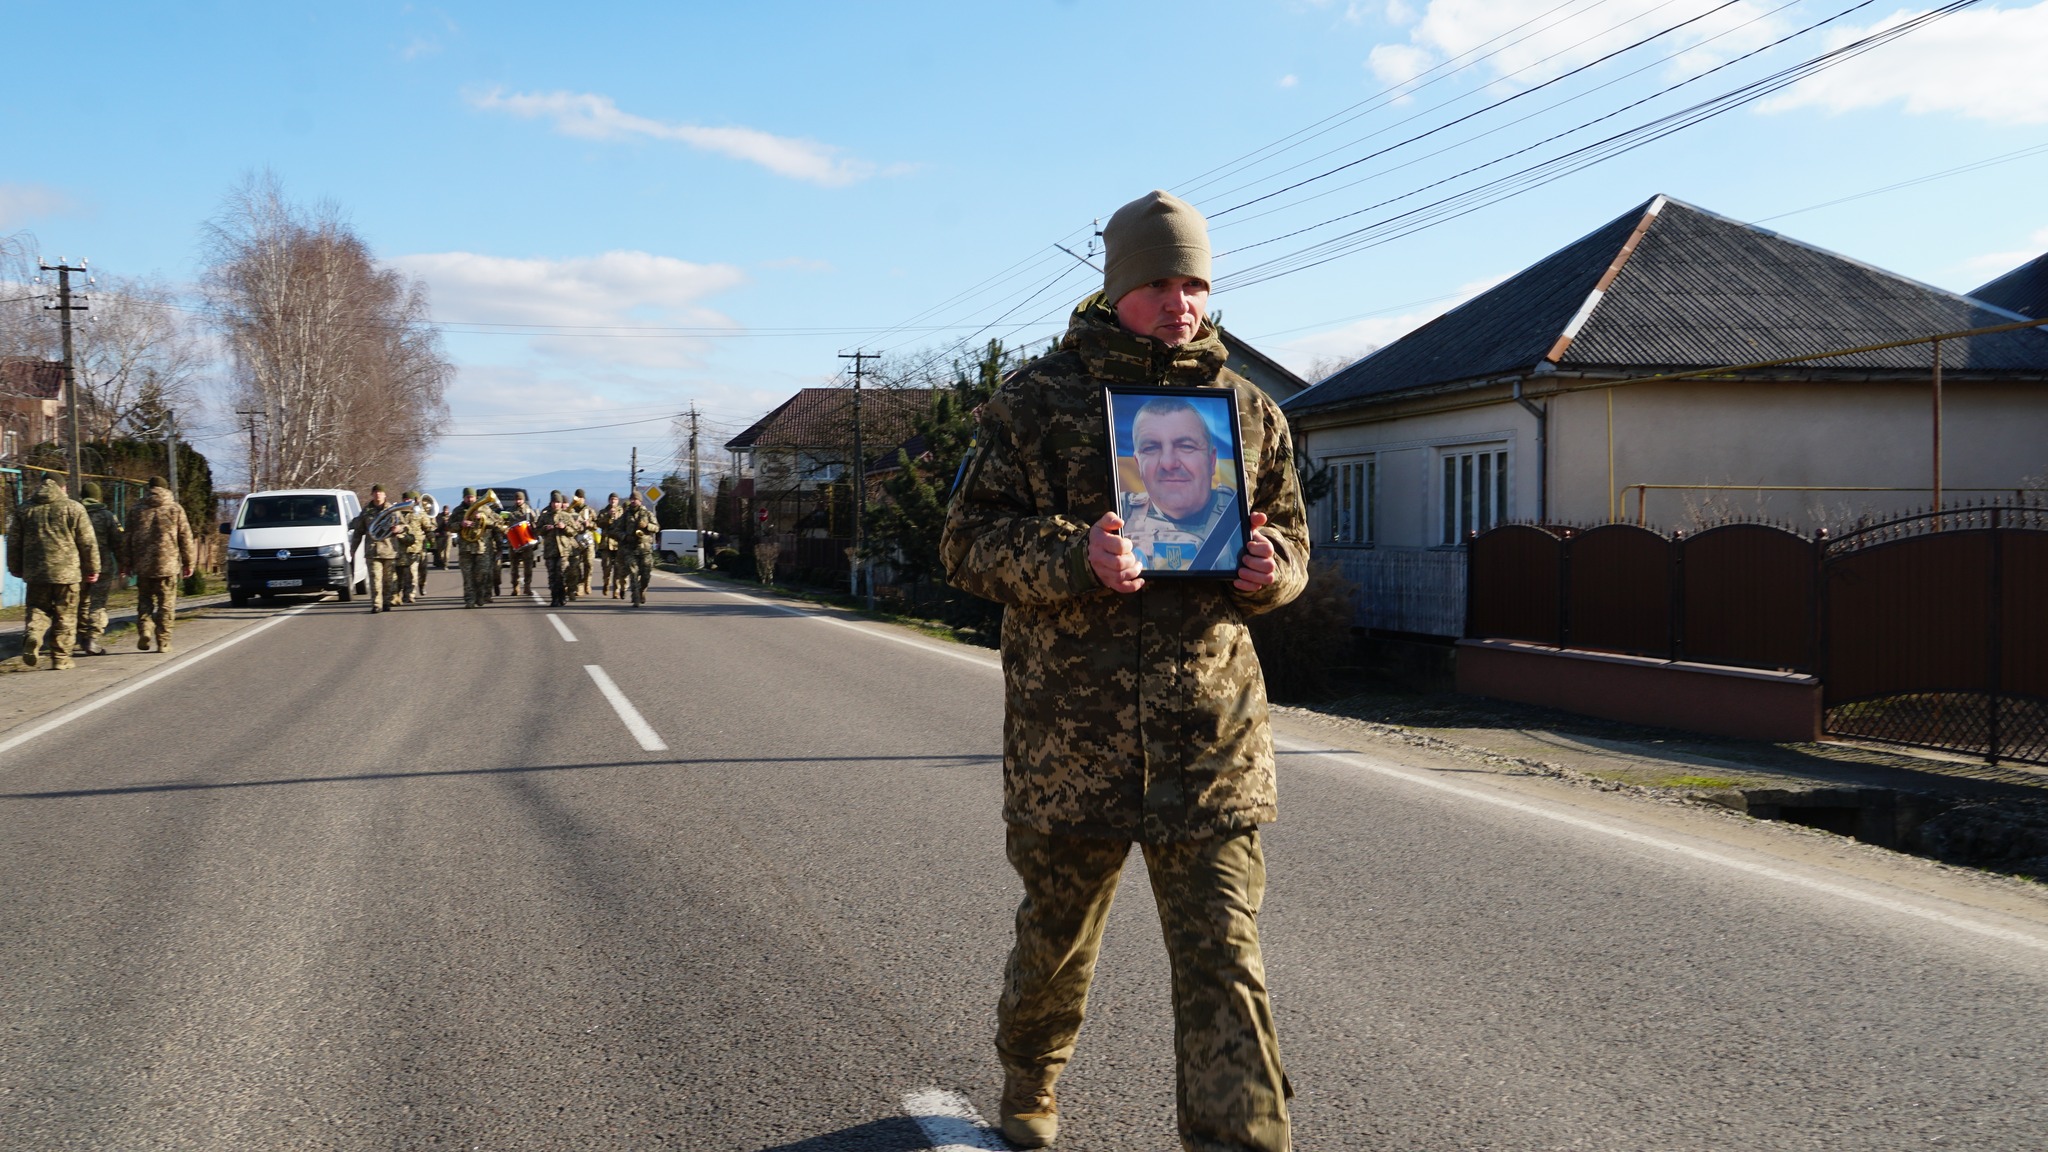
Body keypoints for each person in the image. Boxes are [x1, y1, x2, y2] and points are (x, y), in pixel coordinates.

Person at [940, 190, 1309, 1152]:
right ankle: (1030, 1080)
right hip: (1074, 742)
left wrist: (1275, 574)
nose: (1181, 302)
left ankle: (1239, 1139)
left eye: (1194, 282)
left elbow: (1296, 543)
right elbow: (966, 544)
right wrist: (1077, 559)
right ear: (1117, 289)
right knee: (1056, 944)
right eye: (1159, 282)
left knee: (1228, 957)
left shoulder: (1250, 412)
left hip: (1212, 738)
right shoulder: (1038, 403)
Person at [1118, 397, 1244, 573]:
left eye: (1186, 446)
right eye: (1151, 448)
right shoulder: (1119, 512)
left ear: (1211, 460)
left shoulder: (1239, 515)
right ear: (1138, 463)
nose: (1168, 463)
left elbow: (1292, 553)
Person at [7, 476, 100, 670]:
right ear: (63, 487)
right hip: (67, 574)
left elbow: (14, 542)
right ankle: (60, 658)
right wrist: (93, 569)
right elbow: (88, 542)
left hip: (36, 573)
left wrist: (14, 567)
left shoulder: (24, 509)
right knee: (65, 615)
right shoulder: (73, 508)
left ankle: (34, 633)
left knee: (37, 608)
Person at [121, 475, 197, 655]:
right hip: (167, 565)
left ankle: (145, 629)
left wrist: (126, 563)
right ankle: (163, 641)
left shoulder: (136, 510)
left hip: (143, 565)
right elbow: (185, 538)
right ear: (166, 488)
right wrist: (189, 563)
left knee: (145, 600)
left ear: (149, 488)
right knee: (166, 604)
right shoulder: (175, 509)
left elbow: (126, 538)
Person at [72, 481, 126, 655]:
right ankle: (91, 638)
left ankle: (79, 636)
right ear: (98, 497)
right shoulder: (107, 516)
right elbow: (118, 543)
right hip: (102, 567)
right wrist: (123, 564)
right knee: (97, 604)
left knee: (79, 603)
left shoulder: (73, 513)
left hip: (76, 567)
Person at [453, 488, 502, 607]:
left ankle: (480, 595)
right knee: (468, 576)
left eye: (472, 497)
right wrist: (461, 524)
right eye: (467, 497)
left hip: (482, 549)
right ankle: (469, 600)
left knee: (482, 574)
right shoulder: (458, 511)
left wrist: (485, 519)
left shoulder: (485, 509)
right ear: (463, 498)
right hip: (466, 549)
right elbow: (449, 526)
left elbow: (499, 523)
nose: (470, 499)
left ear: (476, 497)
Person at [613, 494, 660, 606]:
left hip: (645, 549)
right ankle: (635, 597)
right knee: (633, 574)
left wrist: (647, 525)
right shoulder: (625, 516)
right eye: (632, 499)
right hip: (630, 549)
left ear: (640, 501)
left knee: (646, 575)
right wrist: (625, 536)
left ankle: (642, 590)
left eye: (636, 499)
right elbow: (616, 530)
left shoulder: (648, 514)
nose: (633, 501)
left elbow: (657, 527)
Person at [536, 490, 574, 607]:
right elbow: (537, 530)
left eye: (558, 502)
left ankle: (562, 595)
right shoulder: (545, 516)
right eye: (553, 502)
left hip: (563, 551)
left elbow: (574, 531)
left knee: (561, 574)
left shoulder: (566, 516)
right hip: (550, 550)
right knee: (552, 575)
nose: (555, 504)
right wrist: (545, 529)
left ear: (561, 503)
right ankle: (554, 597)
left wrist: (565, 527)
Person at [501, 492, 539, 596]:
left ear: (523, 500)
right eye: (517, 499)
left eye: (520, 499)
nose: (518, 501)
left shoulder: (529, 511)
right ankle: (515, 587)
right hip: (513, 543)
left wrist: (535, 536)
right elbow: (503, 524)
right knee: (514, 567)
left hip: (527, 543)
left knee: (528, 566)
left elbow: (535, 525)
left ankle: (527, 587)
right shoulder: (509, 512)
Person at [594, 492, 624, 598]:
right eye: (611, 499)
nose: (613, 501)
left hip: (618, 543)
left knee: (618, 568)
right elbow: (598, 523)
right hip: (606, 544)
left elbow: (625, 524)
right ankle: (606, 583)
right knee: (606, 567)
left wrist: (616, 517)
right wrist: (608, 516)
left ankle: (616, 590)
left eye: (615, 499)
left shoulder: (622, 512)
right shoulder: (603, 512)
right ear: (609, 500)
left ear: (618, 501)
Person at [566, 489, 595, 598]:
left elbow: (596, 525)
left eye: (581, 497)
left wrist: (590, 524)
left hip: (587, 539)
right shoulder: (571, 509)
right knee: (576, 564)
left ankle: (587, 582)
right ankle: (580, 586)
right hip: (575, 540)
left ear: (584, 499)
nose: (579, 499)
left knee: (589, 563)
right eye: (577, 497)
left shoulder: (589, 510)